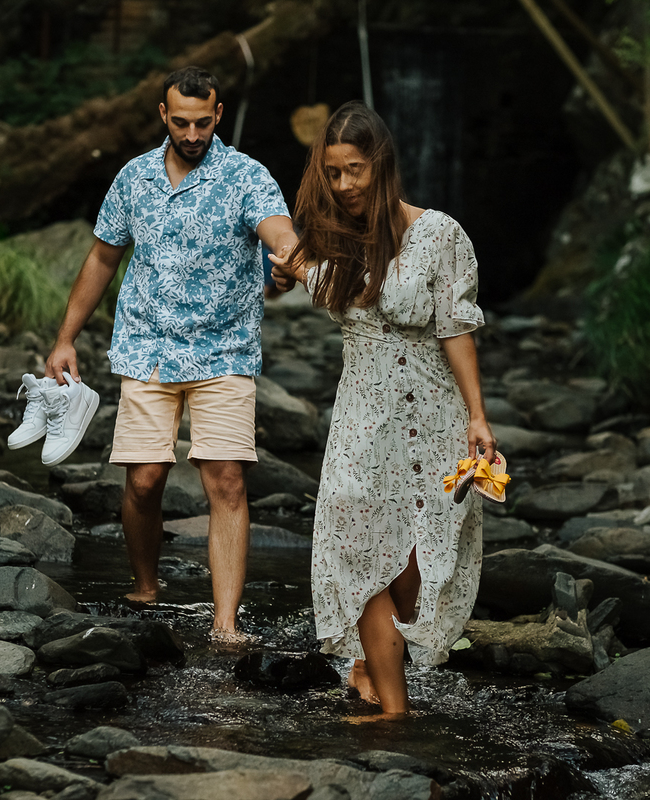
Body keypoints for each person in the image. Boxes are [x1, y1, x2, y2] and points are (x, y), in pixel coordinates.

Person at [46, 66, 298, 639]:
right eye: (181, 122)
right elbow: (104, 257)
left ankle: (225, 623)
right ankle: (146, 585)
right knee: (143, 479)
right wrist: (66, 338)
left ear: (218, 115)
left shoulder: (245, 176)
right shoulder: (134, 177)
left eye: (202, 122)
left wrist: (287, 259)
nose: (192, 133)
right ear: (164, 115)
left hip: (224, 350)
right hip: (147, 346)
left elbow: (279, 231)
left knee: (227, 480)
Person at [270, 101, 496, 716]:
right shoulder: (328, 233)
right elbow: (276, 278)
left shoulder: (439, 233)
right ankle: (395, 713)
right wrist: (283, 276)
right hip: (360, 416)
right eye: (333, 172)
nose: (343, 185)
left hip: (431, 416)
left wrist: (477, 416)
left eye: (354, 171)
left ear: (383, 165)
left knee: (417, 566)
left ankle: (374, 659)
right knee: (359, 547)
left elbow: (456, 329)